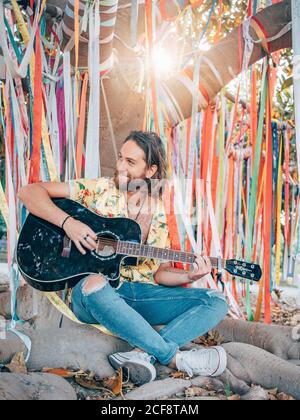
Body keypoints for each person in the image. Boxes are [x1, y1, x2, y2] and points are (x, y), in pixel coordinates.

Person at [18, 131, 228, 386]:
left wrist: (189, 275)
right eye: (120, 158)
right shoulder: (98, 189)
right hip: (94, 295)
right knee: (96, 281)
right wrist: (69, 223)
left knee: (216, 301)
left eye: (130, 162)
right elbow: (29, 192)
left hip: (139, 294)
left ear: (150, 170)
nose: (120, 166)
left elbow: (160, 272)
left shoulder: (159, 213)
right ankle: (175, 359)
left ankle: (142, 354)